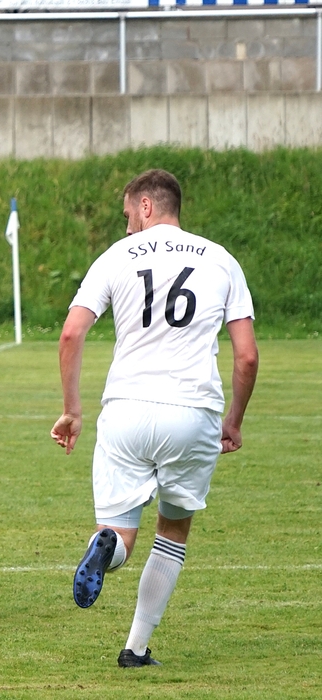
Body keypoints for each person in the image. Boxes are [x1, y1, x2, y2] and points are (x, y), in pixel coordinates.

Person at [50, 169, 258, 667]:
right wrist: (233, 420)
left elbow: (71, 333)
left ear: (146, 206)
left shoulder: (116, 256)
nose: (127, 227)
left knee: (119, 531)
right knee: (173, 532)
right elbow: (247, 356)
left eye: (128, 214)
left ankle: (108, 547)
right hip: (193, 411)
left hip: (126, 409)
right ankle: (136, 648)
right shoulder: (221, 259)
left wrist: (73, 409)